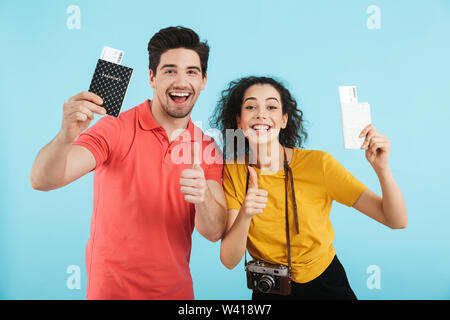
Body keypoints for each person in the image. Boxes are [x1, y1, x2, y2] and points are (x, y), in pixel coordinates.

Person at [29, 26, 227, 300]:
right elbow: (42, 180)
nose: (181, 81)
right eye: (170, 70)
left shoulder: (208, 146)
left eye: (191, 72)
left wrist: (202, 196)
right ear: (152, 78)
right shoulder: (115, 128)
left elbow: (214, 231)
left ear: (204, 80)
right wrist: (66, 136)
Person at [210, 76, 407, 300]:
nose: (261, 114)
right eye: (251, 106)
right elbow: (228, 260)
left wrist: (382, 169)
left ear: (284, 120)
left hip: (325, 282)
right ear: (238, 121)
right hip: (269, 288)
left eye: (271, 106)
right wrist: (246, 213)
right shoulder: (234, 171)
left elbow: (396, 220)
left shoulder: (319, 164)